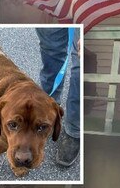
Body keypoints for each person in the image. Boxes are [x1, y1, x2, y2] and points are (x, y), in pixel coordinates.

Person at [36, 27, 80, 166]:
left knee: (80, 65)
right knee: (51, 51)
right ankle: (50, 110)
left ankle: (74, 130)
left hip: (90, 10)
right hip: (56, 6)